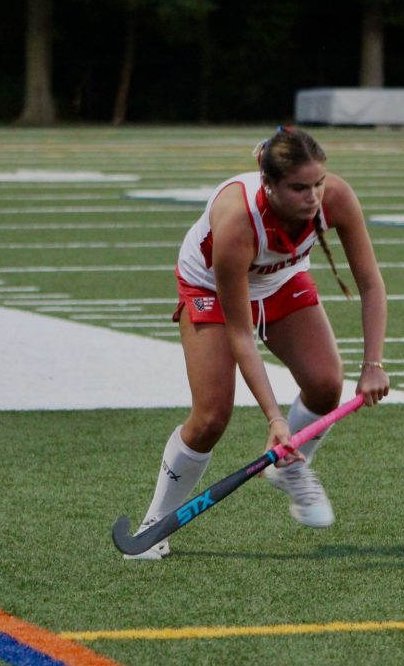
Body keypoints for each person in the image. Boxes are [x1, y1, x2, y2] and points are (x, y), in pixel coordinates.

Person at [126, 126, 390, 560]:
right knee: (211, 417)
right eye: (299, 188)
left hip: (279, 279)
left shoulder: (337, 198)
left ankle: (292, 466)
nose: (314, 197)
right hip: (210, 284)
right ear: (269, 184)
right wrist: (273, 419)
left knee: (326, 384)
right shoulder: (237, 221)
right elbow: (241, 334)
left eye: (319, 183)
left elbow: (371, 285)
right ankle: (155, 524)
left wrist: (373, 363)